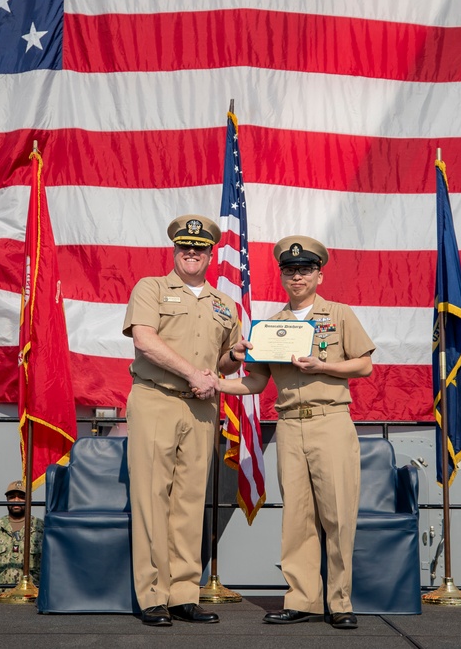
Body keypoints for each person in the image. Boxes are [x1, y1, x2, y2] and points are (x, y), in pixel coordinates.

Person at [216, 235, 374, 630]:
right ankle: (302, 599)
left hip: (330, 420)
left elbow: (363, 366)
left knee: (337, 516)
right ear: (283, 276)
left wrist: (322, 366)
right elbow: (254, 383)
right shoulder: (273, 327)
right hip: (289, 425)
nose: (298, 276)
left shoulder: (338, 314)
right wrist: (214, 382)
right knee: (297, 518)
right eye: (290, 270)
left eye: (305, 269)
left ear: (319, 274)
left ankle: (339, 602)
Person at [122, 214, 245, 626]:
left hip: (201, 409)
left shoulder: (226, 305)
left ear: (211, 254)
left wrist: (238, 355)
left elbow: (223, 361)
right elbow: (144, 339)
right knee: (151, 499)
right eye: (184, 247)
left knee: (190, 503)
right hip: (156, 398)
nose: (191, 253)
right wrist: (193, 373)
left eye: (200, 248)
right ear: (175, 250)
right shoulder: (151, 288)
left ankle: (182, 594)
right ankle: (152, 595)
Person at [0, 480, 43, 596]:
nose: (16, 501)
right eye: (12, 497)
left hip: (33, 599)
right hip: (0, 599)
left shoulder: (42, 529)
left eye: (21, 497)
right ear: (7, 500)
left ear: (29, 500)